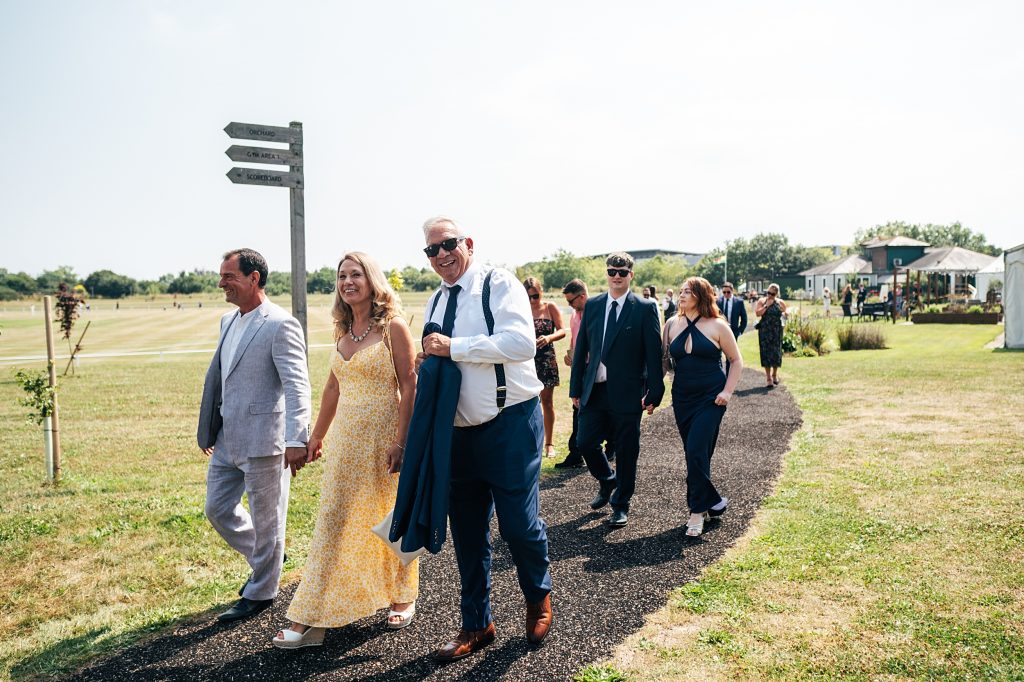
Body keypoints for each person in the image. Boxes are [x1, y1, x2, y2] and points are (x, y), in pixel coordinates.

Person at [417, 216, 552, 661]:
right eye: (431, 250)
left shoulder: (499, 283)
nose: (441, 255)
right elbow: (436, 357)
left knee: (518, 525)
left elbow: (520, 343)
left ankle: (537, 595)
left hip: (509, 423)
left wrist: (453, 347)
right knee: (468, 535)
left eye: (448, 244)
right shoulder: (436, 300)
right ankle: (478, 624)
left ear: (467, 243)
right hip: (457, 435)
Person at [272, 252, 419, 649]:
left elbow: (409, 385)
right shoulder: (342, 330)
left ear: (372, 281)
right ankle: (314, 615)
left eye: (356, 274)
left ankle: (403, 594)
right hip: (345, 443)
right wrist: (315, 436)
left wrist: (402, 442)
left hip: (384, 438)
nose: (348, 281)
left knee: (390, 515)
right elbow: (333, 387)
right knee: (335, 521)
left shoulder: (393, 327)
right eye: (342, 276)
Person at [197, 248, 311, 623]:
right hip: (228, 437)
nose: (221, 283)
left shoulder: (280, 324)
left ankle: (261, 592)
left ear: (254, 278)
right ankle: (270, 558)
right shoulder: (227, 321)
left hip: (267, 439)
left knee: (268, 521)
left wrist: (297, 439)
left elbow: (297, 385)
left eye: (229, 276)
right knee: (217, 509)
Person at [569, 252, 664, 528]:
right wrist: (576, 386)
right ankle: (607, 480)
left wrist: (655, 391)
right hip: (594, 390)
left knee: (626, 450)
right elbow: (582, 350)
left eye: (622, 272)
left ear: (631, 275)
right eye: (612, 272)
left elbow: (652, 353)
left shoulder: (645, 308)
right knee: (584, 442)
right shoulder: (594, 305)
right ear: (607, 274)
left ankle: (621, 504)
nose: (617, 276)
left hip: (627, 392)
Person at [663, 277, 742, 537]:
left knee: (696, 450)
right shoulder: (671, 324)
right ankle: (712, 502)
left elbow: (735, 360)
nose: (682, 295)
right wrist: (649, 391)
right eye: (682, 291)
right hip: (682, 398)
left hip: (711, 398)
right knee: (695, 455)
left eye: (689, 291)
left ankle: (696, 512)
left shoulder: (718, 325)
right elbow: (664, 363)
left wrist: (727, 392)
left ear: (701, 296)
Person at [523, 277, 567, 458]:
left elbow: (562, 330)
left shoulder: (550, 307)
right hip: (526, 361)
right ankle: (529, 442)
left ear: (541, 291)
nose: (532, 300)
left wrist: (548, 338)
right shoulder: (521, 309)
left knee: (547, 402)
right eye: (528, 297)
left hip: (546, 360)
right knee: (526, 403)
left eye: (535, 296)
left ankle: (549, 444)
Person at [755, 283, 787, 387]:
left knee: (776, 353)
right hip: (765, 330)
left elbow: (785, 315)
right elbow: (758, 313)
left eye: (772, 294)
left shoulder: (780, 303)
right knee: (766, 353)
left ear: (776, 294)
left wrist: (785, 314)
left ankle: (774, 374)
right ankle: (768, 377)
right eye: (768, 293)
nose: (770, 295)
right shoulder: (762, 301)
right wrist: (766, 305)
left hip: (776, 331)